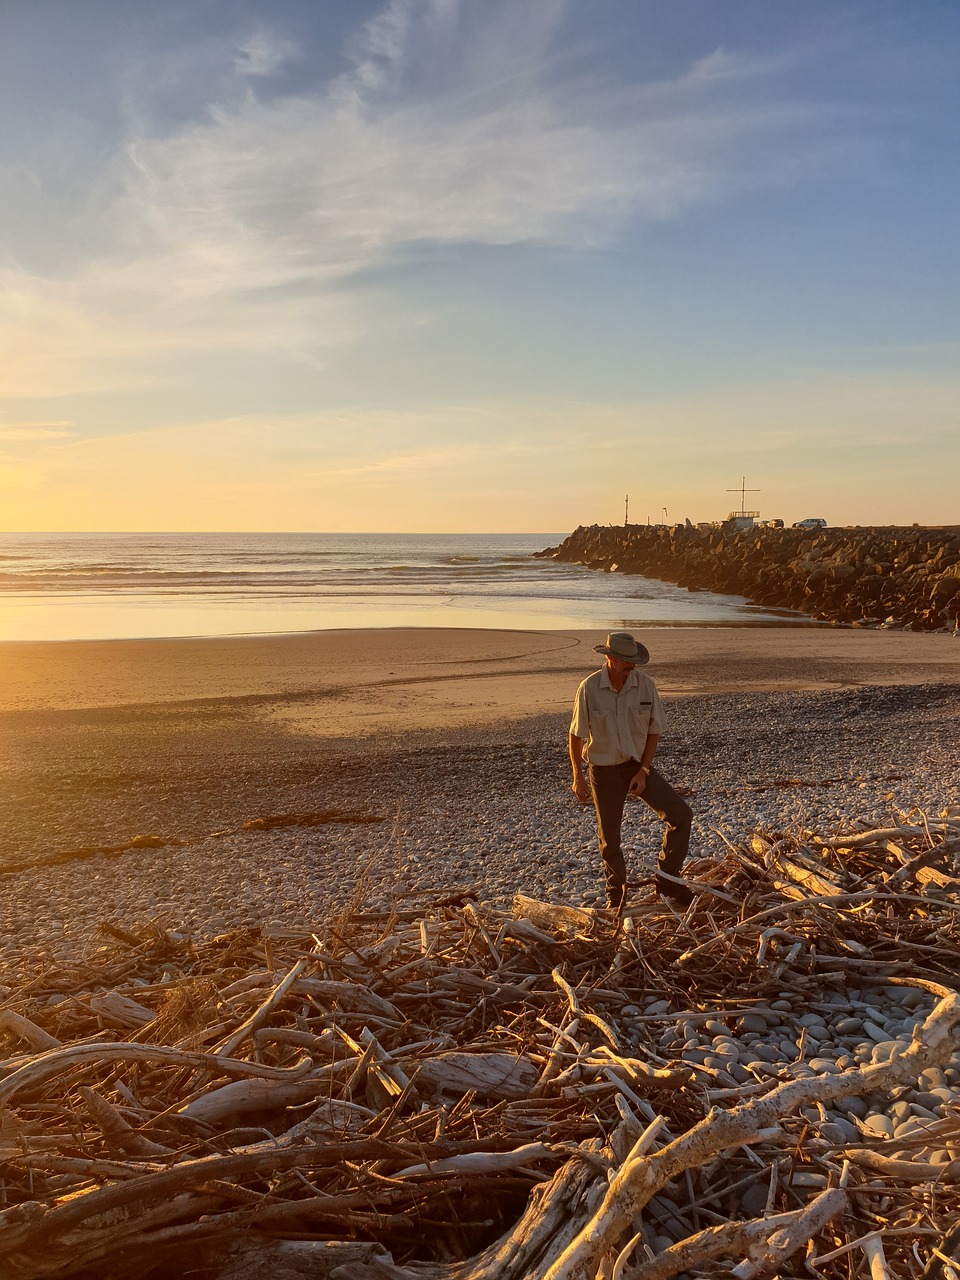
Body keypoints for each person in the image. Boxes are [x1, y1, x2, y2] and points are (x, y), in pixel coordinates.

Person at [569, 631, 693, 911]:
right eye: (627, 661)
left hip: (637, 767)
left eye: (634, 660)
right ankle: (617, 894)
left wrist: (644, 771)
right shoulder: (588, 688)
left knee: (681, 815)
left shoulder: (646, 685)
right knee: (609, 838)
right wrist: (577, 776)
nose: (632, 666)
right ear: (611, 659)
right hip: (602, 770)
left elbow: (654, 731)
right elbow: (575, 735)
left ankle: (668, 880)